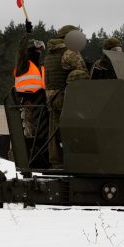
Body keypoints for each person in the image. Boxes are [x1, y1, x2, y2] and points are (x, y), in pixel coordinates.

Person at [47, 25, 89, 167]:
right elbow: (82, 72)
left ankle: (56, 160)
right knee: (72, 128)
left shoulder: (50, 54)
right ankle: (76, 159)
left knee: (54, 131)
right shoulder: (70, 52)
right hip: (65, 97)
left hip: (51, 98)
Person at [13, 20, 46, 138]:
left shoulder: (40, 67)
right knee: (28, 132)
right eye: (36, 51)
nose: (38, 54)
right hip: (27, 103)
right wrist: (27, 34)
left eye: (39, 52)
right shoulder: (24, 64)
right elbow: (21, 50)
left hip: (41, 104)